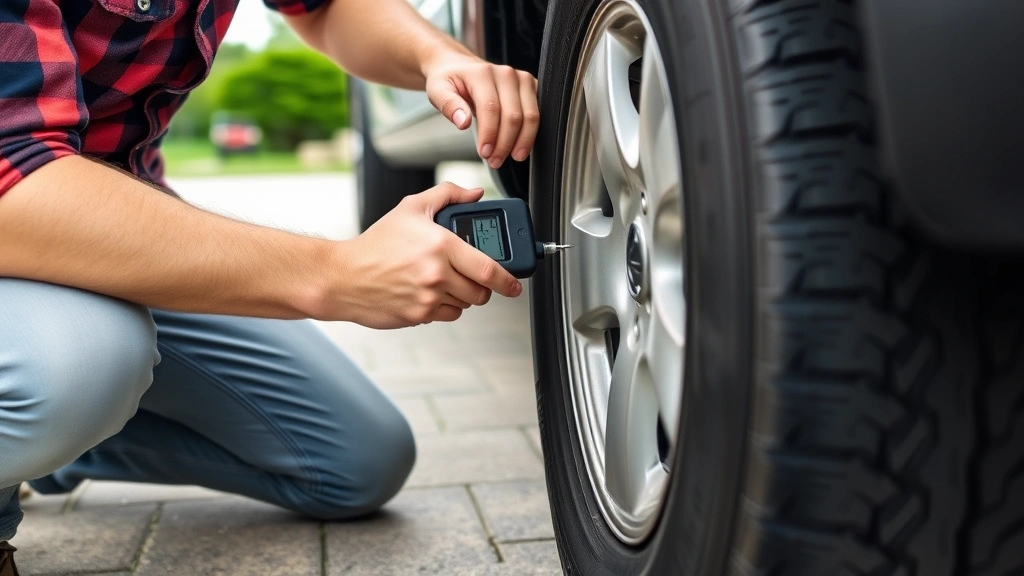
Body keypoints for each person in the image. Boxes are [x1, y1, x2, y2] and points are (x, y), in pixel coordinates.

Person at [0, 0, 540, 571]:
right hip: (25, 214)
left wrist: (438, 54)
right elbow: (11, 168)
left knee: (357, 461)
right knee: (80, 364)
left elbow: (325, 9)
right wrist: (336, 274)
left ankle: (47, 444)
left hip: (109, 226)